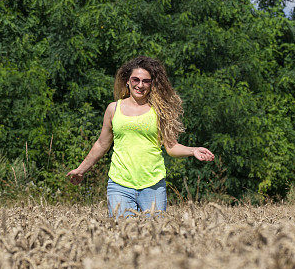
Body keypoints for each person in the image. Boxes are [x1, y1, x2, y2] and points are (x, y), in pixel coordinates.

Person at [67, 56, 214, 216]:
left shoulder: (160, 112)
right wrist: (81, 169)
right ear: (127, 81)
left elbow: (171, 147)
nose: (140, 85)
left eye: (146, 81)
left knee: (155, 236)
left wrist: (193, 151)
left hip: (153, 185)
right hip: (119, 184)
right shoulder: (113, 109)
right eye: (135, 79)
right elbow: (102, 144)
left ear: (152, 84)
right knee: (121, 237)